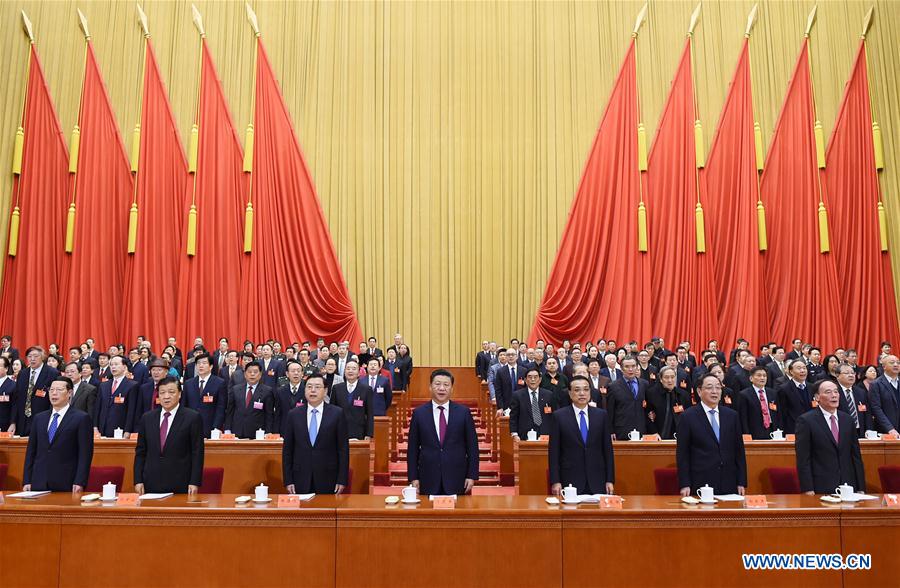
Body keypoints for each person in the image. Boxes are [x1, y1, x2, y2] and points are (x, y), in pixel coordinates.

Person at [407, 369, 479, 495]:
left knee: (457, 514)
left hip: (457, 477)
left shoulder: (463, 413)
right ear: (430, 387)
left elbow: (472, 447)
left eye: (446, 385)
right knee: (428, 513)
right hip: (428, 477)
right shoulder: (419, 413)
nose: (441, 388)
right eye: (437, 384)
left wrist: (472, 475)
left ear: (451, 389)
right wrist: (413, 477)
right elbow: (412, 449)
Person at [677, 373, 747, 496]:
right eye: (709, 387)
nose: (714, 391)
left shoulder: (732, 415)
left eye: (718, 388)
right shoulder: (687, 416)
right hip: (701, 481)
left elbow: (739, 451)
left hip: (729, 481)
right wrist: (685, 483)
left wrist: (741, 481)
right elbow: (683, 454)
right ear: (699, 391)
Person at [133, 377, 204, 495]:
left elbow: (197, 453)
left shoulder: (192, 417)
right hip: (150, 482)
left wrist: (194, 482)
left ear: (180, 394)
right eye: (162, 392)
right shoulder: (147, 418)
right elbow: (141, 451)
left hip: (181, 482)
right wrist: (138, 480)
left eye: (171, 392)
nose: (166, 396)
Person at [22, 377, 93, 492]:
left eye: (59, 390)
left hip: (66, 481)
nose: (54, 393)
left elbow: (85, 454)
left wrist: (80, 481)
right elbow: (31, 451)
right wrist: (27, 480)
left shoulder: (81, 418)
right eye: (51, 390)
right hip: (38, 481)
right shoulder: (39, 418)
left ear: (70, 393)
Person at [795, 380, 866, 494]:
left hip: (848, 486)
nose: (834, 395)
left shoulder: (847, 419)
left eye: (836, 392)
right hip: (821, 486)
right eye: (828, 392)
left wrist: (861, 487)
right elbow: (803, 459)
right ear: (817, 397)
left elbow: (856, 456)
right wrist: (808, 489)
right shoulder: (806, 421)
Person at [548, 376, 615, 496]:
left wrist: (610, 480)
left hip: (597, 479)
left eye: (586, 389)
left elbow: (608, 451)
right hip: (570, 480)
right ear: (569, 393)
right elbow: (554, 452)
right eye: (577, 390)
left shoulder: (601, 415)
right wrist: (555, 481)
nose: (582, 393)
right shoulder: (559, 416)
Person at [282, 375, 349, 495]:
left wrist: (342, 479)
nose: (313, 390)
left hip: (328, 476)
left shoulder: (337, 413)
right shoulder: (293, 414)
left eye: (317, 387)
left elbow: (343, 449)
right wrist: (288, 480)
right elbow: (287, 450)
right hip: (300, 476)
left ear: (326, 391)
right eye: (309, 387)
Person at [13, 346, 60, 437]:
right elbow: (16, 398)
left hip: (43, 419)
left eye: (35, 356)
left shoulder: (52, 373)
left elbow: (55, 399)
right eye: (29, 356)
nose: (32, 359)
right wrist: (13, 421)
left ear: (42, 357)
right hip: (22, 420)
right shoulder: (22, 374)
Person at [224, 361, 275, 438]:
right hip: (237, 431)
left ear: (260, 375)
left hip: (258, 433)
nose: (252, 374)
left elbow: (269, 414)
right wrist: (227, 429)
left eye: (255, 372)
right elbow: (230, 411)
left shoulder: (267, 391)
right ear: (245, 374)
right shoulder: (236, 389)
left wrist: (268, 432)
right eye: (249, 372)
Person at [181, 353, 227, 437]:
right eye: (198, 363)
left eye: (204, 363)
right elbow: (184, 405)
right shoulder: (188, 383)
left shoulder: (219, 383)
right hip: (190, 426)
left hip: (210, 427)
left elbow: (221, 407)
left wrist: (216, 427)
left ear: (211, 366)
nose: (200, 365)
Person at [605, 356, 649, 440]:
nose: (630, 369)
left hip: (642, 428)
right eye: (627, 367)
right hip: (621, 430)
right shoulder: (613, 386)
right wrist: (610, 430)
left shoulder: (644, 384)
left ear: (637, 367)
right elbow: (610, 411)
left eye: (633, 366)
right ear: (621, 369)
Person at [95, 356, 140, 438]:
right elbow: (98, 408)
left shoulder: (132, 385)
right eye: (111, 365)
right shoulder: (103, 385)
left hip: (120, 429)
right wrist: (95, 426)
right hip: (102, 429)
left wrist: (128, 430)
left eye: (116, 364)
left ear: (124, 367)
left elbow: (132, 411)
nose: (113, 367)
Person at [331, 360, 374, 440]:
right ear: (344, 372)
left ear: (358, 373)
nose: (350, 371)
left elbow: (370, 413)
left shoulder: (366, 389)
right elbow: (332, 412)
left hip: (359, 431)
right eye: (348, 368)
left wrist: (369, 434)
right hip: (339, 431)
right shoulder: (336, 388)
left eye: (354, 368)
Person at [509, 367, 556, 439]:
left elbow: (554, 415)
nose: (533, 379)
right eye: (530, 377)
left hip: (545, 434)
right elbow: (513, 416)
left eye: (535, 377)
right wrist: (514, 434)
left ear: (540, 380)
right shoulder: (517, 395)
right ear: (525, 380)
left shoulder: (549, 394)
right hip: (525, 434)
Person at [645, 366, 689, 440]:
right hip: (657, 437)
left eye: (672, 377)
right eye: (666, 377)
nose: (670, 380)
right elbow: (647, 416)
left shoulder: (683, 395)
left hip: (679, 437)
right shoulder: (651, 394)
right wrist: (654, 432)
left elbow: (688, 417)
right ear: (661, 379)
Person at [738, 367, 781, 440]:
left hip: (773, 430)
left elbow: (778, 413)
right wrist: (746, 434)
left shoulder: (773, 393)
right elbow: (743, 417)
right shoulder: (744, 394)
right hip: (754, 431)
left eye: (764, 376)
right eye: (759, 375)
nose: (762, 378)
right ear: (751, 378)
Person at [777, 359, 814, 435]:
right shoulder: (784, 389)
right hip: (793, 428)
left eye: (804, 368)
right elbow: (782, 413)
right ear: (791, 371)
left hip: (812, 427)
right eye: (799, 368)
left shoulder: (812, 387)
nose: (802, 370)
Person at [835, 363, 870, 438]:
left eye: (852, 373)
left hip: (860, 432)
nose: (851, 375)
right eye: (846, 373)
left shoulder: (861, 392)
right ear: (837, 376)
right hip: (841, 432)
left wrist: (869, 430)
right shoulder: (834, 392)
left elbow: (867, 413)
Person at [869, 354, 900, 437]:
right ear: (884, 366)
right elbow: (876, 408)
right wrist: (890, 428)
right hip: (886, 431)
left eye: (898, 363)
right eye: (892, 362)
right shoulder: (876, 384)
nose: (896, 365)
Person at [275, 361, 307, 434]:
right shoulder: (280, 391)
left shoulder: (307, 391)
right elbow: (277, 414)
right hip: (284, 429)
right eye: (293, 371)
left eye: (298, 371)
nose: (296, 373)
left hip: (303, 429)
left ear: (302, 374)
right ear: (287, 374)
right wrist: (276, 432)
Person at [0, 357, 18, 432]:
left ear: (6, 368)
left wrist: (13, 422)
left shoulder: (13, 385)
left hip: (5, 425)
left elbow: (15, 406)